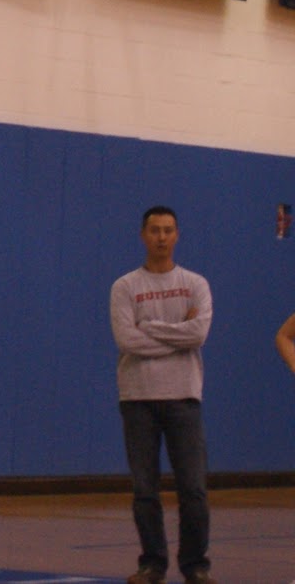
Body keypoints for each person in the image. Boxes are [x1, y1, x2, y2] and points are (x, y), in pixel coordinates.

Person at [110, 205, 216, 584]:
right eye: (154, 230)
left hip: (183, 397)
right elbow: (126, 339)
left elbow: (198, 334)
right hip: (137, 398)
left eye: (168, 230)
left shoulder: (195, 284)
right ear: (143, 235)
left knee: (193, 488)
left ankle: (196, 565)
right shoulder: (125, 286)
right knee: (145, 489)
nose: (161, 237)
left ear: (177, 235)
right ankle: (152, 563)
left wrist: (149, 329)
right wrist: (174, 333)